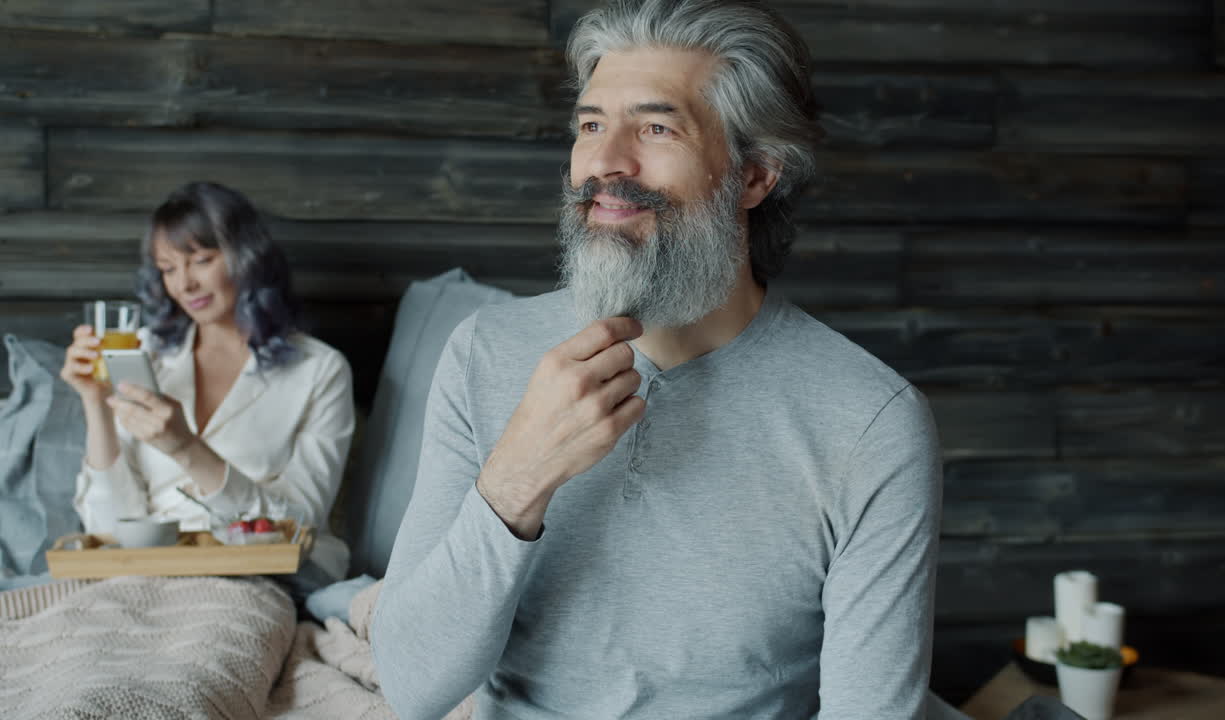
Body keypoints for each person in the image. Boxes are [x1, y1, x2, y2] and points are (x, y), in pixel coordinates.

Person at [372, 0, 942, 717]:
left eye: (655, 127)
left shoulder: (870, 423)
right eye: (590, 125)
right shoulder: (484, 353)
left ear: (755, 175)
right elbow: (410, 686)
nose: (605, 163)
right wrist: (518, 478)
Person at [61, 181, 355, 591]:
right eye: (168, 268)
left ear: (247, 258)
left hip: (256, 578)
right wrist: (95, 403)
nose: (184, 285)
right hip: (143, 576)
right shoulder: (145, 355)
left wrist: (187, 449)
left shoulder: (319, 370)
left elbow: (298, 524)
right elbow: (106, 526)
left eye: (200, 260)